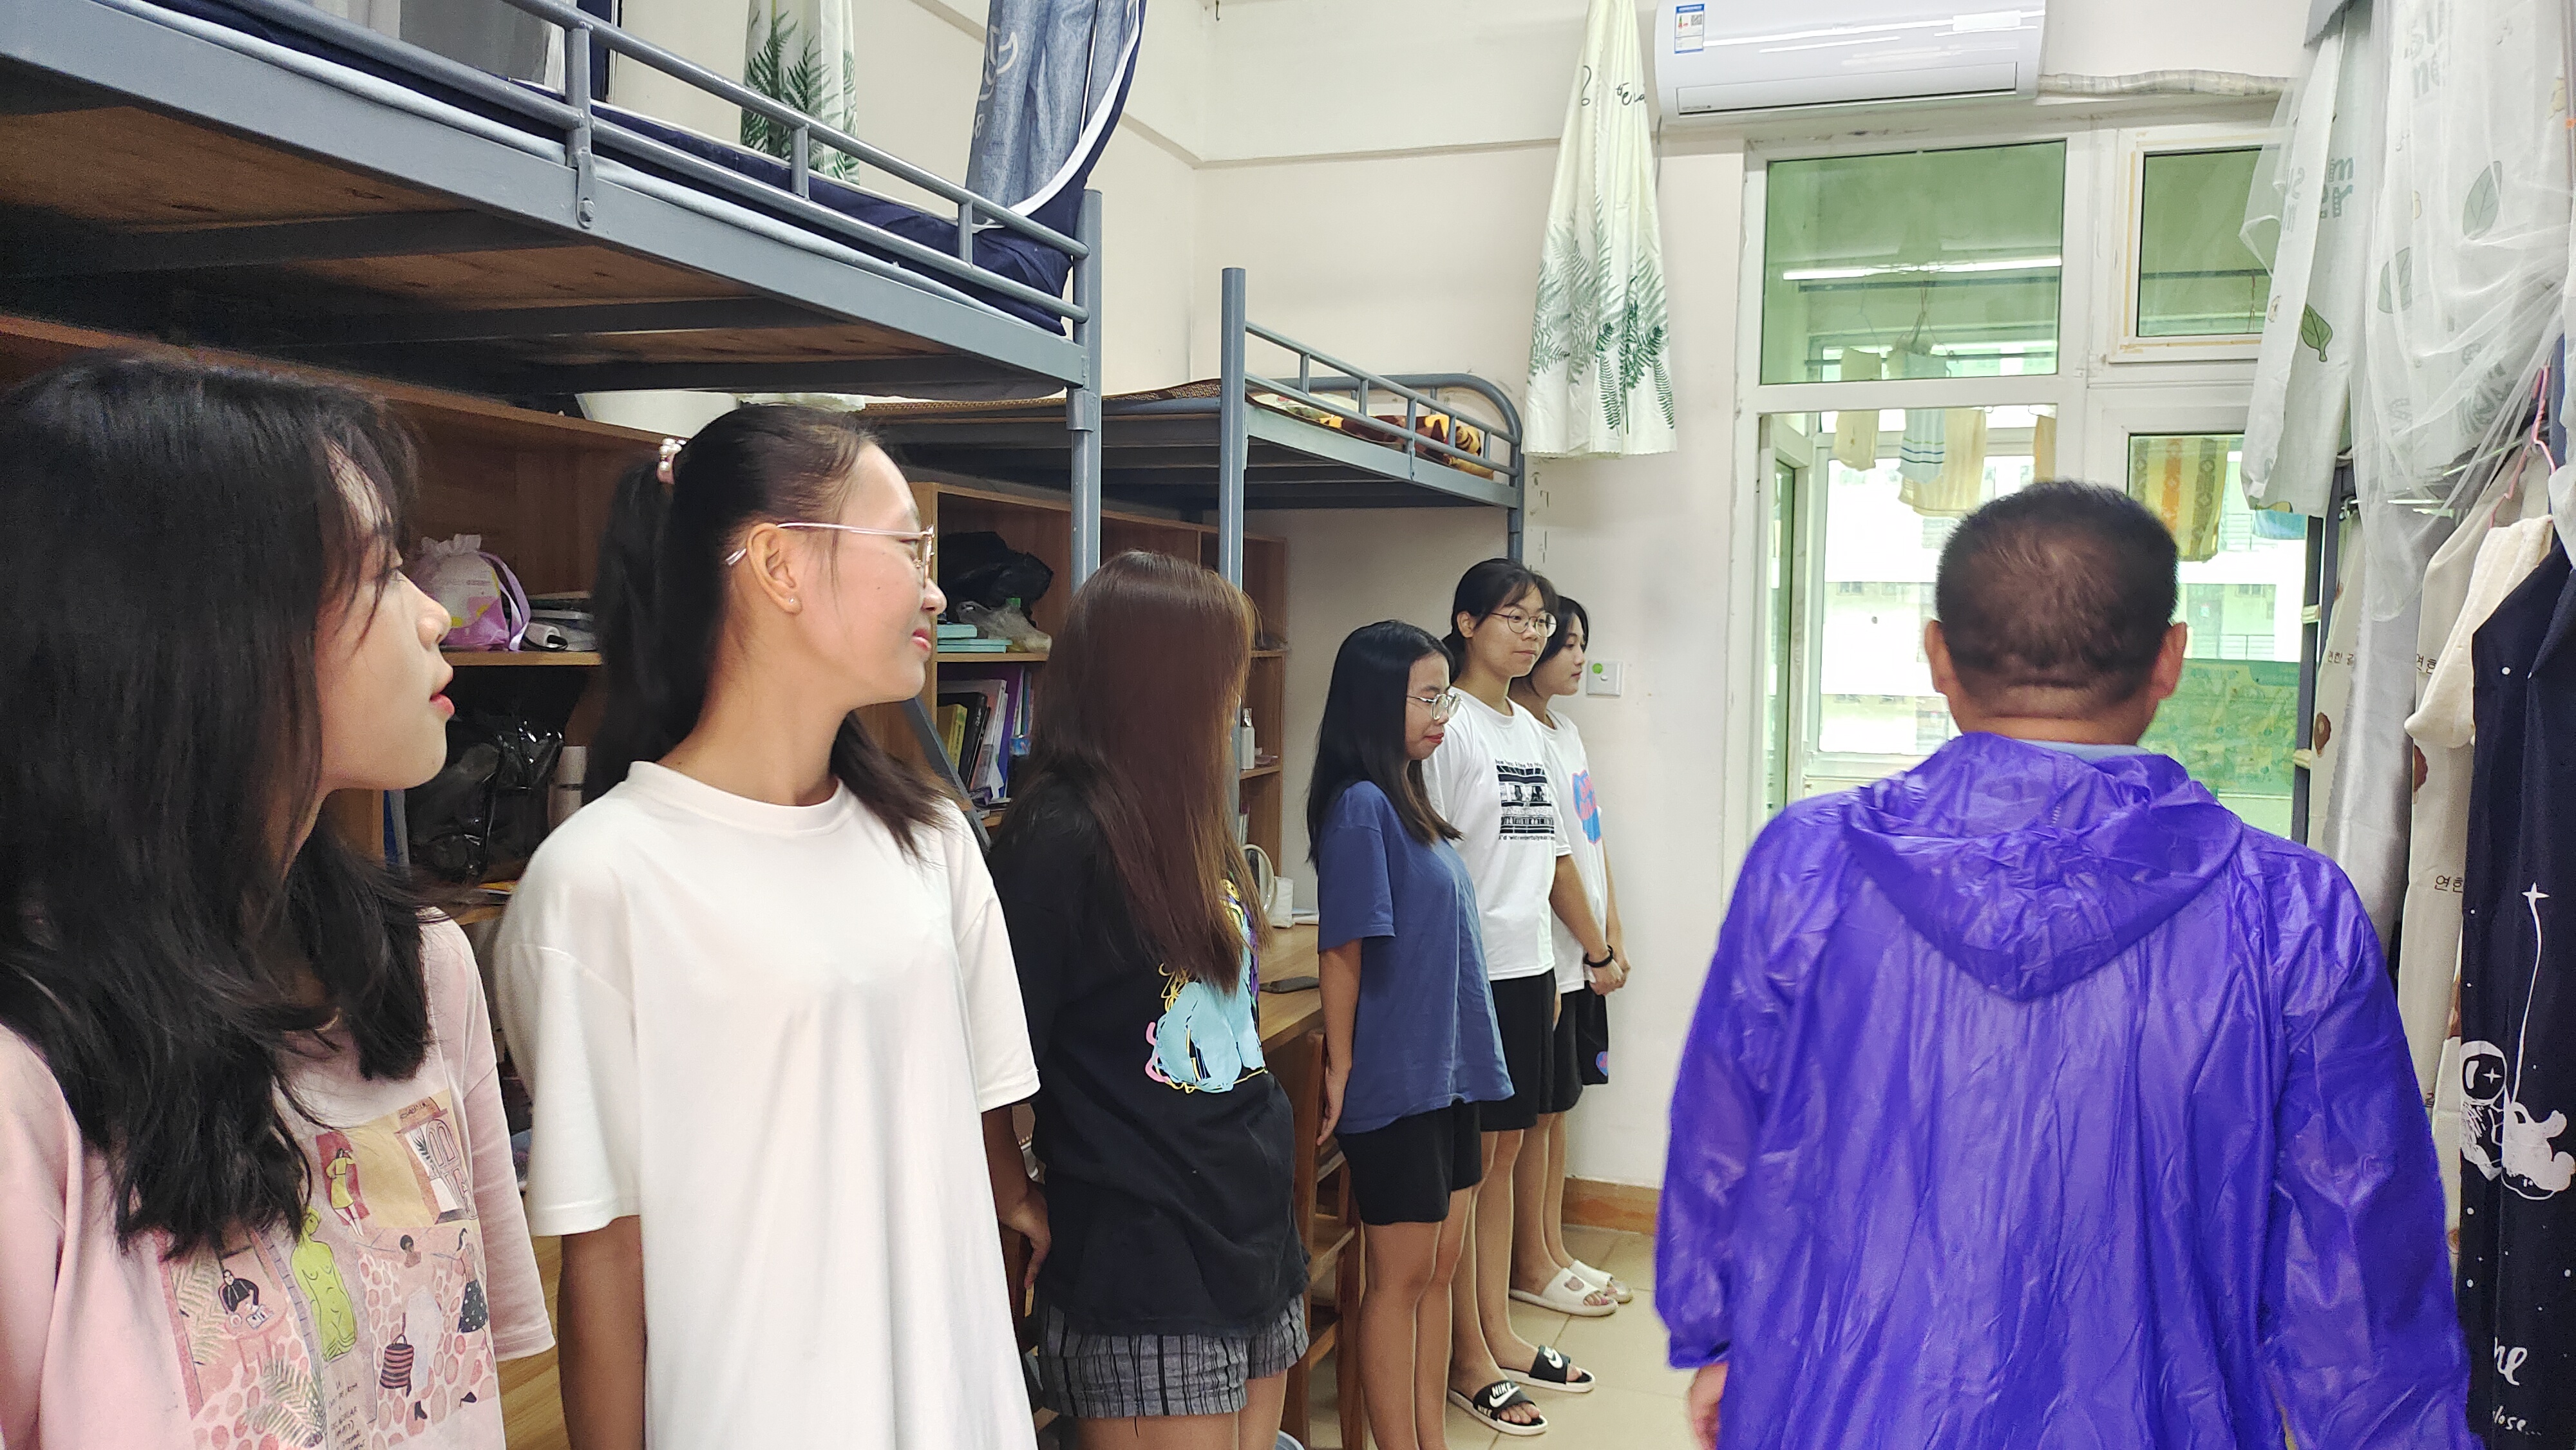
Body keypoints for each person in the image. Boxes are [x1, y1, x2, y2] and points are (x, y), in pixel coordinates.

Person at [1658, 482, 2476, 1450]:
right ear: (2170, 658)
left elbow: (1723, 1131)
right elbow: (2358, 1251)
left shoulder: (1807, 864)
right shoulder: (2288, 909)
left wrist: (1721, 1336)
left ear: (1936, 655)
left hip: (1847, 1406)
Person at [0, 357, 549, 1445]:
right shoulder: (27, 1077)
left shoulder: (419, 966)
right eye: (381, 573)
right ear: (202, 629)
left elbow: (466, 1379)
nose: (435, 617)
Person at [494, 407, 1044, 1448]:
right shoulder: (601, 882)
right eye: (908, 548)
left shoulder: (931, 843)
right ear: (780, 565)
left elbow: (976, 1132)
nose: (934, 591)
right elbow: (606, 1268)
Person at [986, 551, 1308, 1449]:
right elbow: (984, 1051)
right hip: (1142, 1249)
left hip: (1251, 1224)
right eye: (1224, 675)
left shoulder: (1193, 815)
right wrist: (1012, 1189)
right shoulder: (1059, 832)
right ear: (1165, 682)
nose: (1235, 701)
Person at [1310, 621, 1517, 1450]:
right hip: (1398, 1080)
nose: (1442, 713)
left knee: (1437, 1272)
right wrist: (1341, 1064)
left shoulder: (1407, 797)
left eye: (1444, 696)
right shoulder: (1360, 806)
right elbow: (1342, 948)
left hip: (1449, 1075)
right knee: (1397, 1282)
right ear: (1373, 701)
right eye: (1428, 697)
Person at [1426, 560, 1602, 1438]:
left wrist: (1560, 970)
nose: (1532, 634)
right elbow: (1431, 862)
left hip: (1530, 971)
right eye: (1514, 618)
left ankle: (1496, 1332)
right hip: (1472, 975)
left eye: (1540, 621)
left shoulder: (1528, 730)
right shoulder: (1447, 725)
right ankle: (1466, 1359)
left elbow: (1551, 856)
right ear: (1466, 622)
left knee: (1503, 1160)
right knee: (1471, 1169)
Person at [1505, 597, 1633, 1312]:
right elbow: (1549, 864)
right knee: (1535, 1116)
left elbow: (1591, 839)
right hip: (1550, 953)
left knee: (1560, 1110)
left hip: (1580, 952)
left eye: (1583, 642)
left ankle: (1551, 1248)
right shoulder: (1519, 734)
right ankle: (1530, 1262)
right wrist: (1595, 945)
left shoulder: (1566, 731)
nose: (1580, 657)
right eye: (1569, 642)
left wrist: (1611, 935)